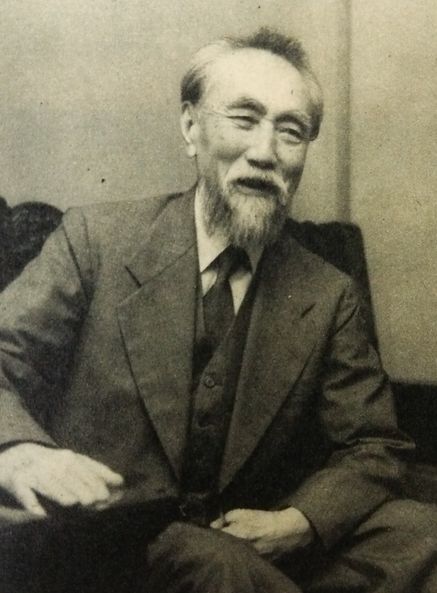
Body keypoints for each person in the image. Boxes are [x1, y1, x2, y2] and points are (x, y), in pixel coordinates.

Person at [0, 27, 436, 593]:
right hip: (110, 547)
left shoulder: (327, 294)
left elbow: (374, 445)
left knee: (420, 533)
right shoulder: (97, 243)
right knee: (215, 565)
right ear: (191, 127)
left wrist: (302, 521)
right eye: (244, 119)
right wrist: (19, 451)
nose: (265, 152)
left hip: (246, 544)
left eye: (291, 131)